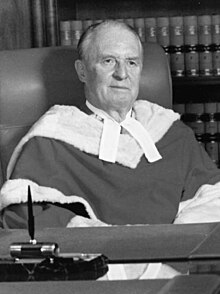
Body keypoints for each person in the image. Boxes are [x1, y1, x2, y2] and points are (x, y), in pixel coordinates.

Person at [1, 20, 220, 230]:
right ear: (82, 71)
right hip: (91, 264)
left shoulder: (171, 131)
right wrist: (101, 242)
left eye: (131, 62)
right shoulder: (50, 138)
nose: (122, 74)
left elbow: (212, 198)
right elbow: (23, 216)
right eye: (108, 61)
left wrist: (172, 244)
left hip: (170, 263)